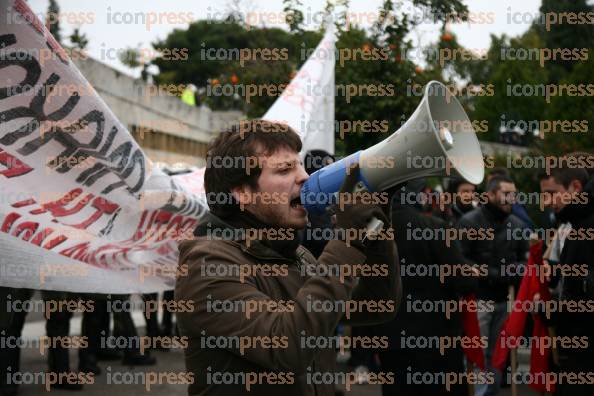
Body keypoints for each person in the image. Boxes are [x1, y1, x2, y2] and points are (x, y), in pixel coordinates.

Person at [175, 120, 401, 395]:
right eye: (284, 169)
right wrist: (346, 239)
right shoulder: (207, 265)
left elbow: (377, 305)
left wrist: (377, 231)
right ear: (242, 193)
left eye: (300, 165)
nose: (305, 177)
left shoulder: (294, 254)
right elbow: (287, 346)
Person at [375, 179, 478, 396]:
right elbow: (462, 280)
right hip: (437, 337)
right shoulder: (436, 228)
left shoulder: (372, 232)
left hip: (391, 337)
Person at [456, 175, 529, 396]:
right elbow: (460, 259)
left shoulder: (517, 226)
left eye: (513, 194)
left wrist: (495, 273)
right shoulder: (469, 222)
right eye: (506, 193)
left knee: (499, 354)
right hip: (478, 300)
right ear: (489, 194)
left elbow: (525, 263)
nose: (511, 198)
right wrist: (487, 273)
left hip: (505, 299)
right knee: (477, 353)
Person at [537, 161, 594, 396]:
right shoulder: (575, 224)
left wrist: (551, 310)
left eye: (552, 194)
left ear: (576, 187)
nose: (548, 202)